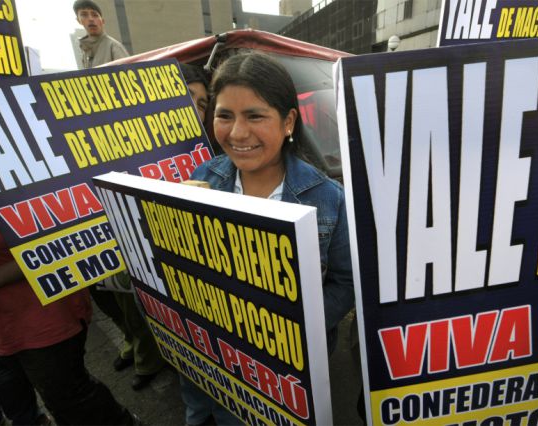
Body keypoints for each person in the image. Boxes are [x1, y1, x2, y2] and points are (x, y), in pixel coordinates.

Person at [185, 52, 355, 425]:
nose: (237, 133)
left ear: (288, 121)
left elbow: (344, 283)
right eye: (224, 115)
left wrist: (286, 330)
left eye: (255, 116)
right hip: (222, 360)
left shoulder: (327, 197)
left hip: (294, 367)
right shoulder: (202, 180)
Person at [0, 187, 138, 425]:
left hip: (37, 316)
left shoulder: (2, 168)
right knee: (8, 395)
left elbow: (68, 237)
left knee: (71, 400)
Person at [74, 0, 164, 392]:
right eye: (84, 16)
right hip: (100, 184)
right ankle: (133, 346)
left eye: (94, 15)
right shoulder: (84, 52)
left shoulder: (114, 51)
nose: (90, 20)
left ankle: (145, 358)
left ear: (102, 19)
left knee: (131, 292)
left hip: (125, 182)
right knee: (108, 288)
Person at [74, 0, 129, 69]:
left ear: (102, 21)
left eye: (95, 15)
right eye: (84, 15)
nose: (91, 19)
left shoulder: (113, 46)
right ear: (79, 20)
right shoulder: (85, 53)